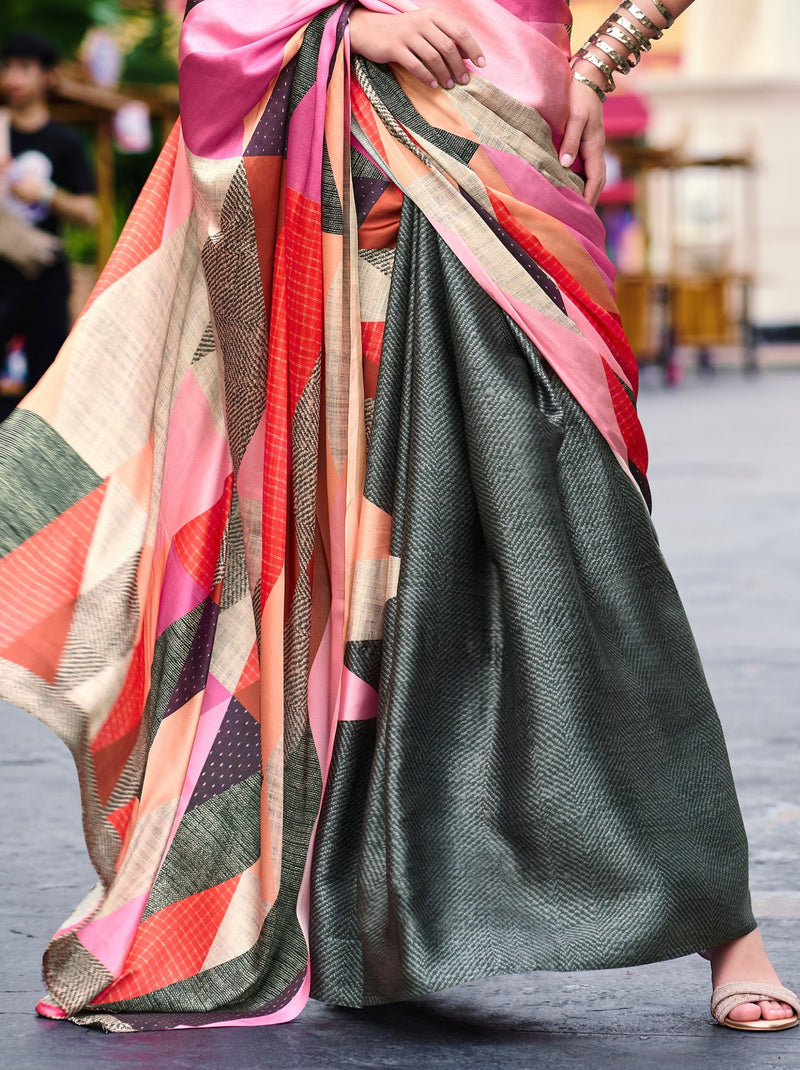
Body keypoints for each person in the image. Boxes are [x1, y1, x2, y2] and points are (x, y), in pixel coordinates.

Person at [0, 0, 796, 1036]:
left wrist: (602, 60)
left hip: (505, 140)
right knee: (351, 559)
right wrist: (334, 28)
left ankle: (724, 924)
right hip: (353, 148)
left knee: (577, 533)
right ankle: (372, 910)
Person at [0, 31, 97, 400]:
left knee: (46, 386)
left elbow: (89, 214)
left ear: (48, 77)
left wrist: (46, 193)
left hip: (45, 278)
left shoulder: (65, 142)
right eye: (8, 67)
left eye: (25, 68)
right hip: (1, 274)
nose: (13, 78)